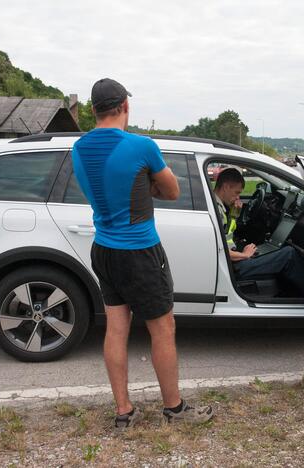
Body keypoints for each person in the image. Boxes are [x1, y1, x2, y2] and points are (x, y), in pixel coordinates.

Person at [71, 78, 213, 429]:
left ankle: (124, 413)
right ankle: (175, 410)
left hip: (103, 248)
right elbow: (173, 191)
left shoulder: (78, 148)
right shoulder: (141, 146)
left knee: (116, 330)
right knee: (163, 329)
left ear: (93, 110)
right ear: (125, 107)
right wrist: (147, 184)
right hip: (139, 250)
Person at [213, 168, 304, 297]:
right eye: (236, 192)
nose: (238, 197)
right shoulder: (216, 210)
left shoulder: (217, 204)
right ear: (225, 187)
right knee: (289, 255)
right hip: (233, 265)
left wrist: (234, 214)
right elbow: (219, 250)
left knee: (270, 248)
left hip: (232, 259)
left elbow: (225, 234)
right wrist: (244, 255)